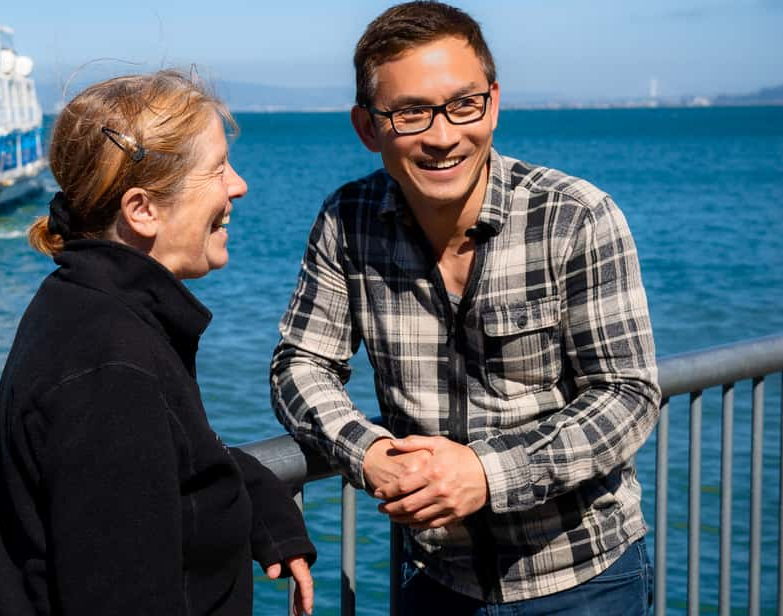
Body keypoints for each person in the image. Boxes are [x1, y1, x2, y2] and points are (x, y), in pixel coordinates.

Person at [270, 2, 660, 613]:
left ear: (494, 102)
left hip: (583, 580)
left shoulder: (575, 217)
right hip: (435, 581)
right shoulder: (348, 222)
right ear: (368, 128)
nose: (444, 135)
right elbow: (299, 364)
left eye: (463, 104)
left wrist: (486, 474)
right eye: (410, 113)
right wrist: (366, 452)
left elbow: (627, 394)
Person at [0, 70, 316, 616]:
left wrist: (245, 492)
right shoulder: (109, 367)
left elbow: (157, 465)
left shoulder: (84, 305)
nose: (239, 185)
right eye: (217, 169)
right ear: (142, 210)